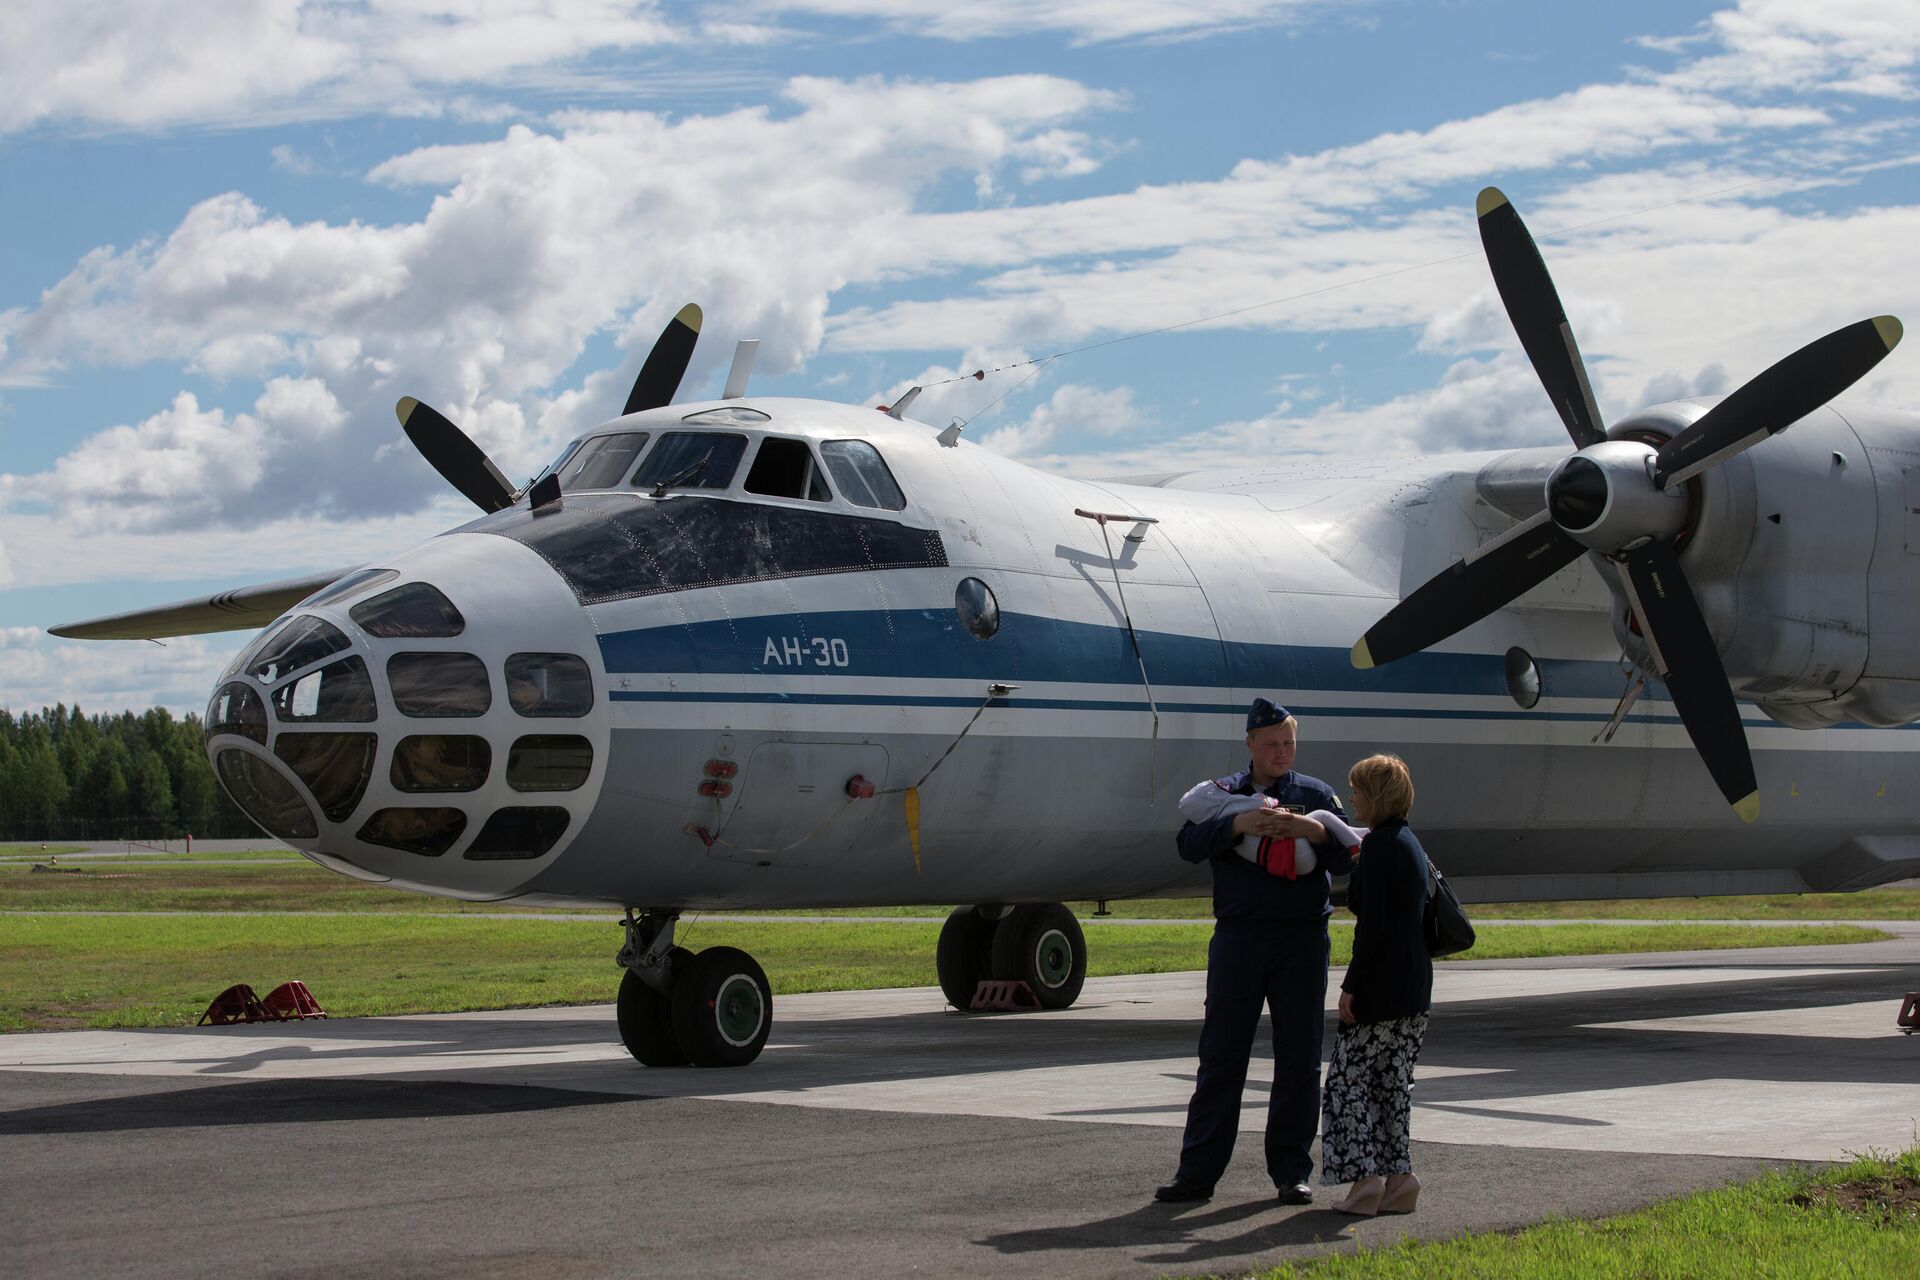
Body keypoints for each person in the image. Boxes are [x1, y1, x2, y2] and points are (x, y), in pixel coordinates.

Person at [1155, 698, 1355, 1205]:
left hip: (1301, 940)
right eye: (1271, 745)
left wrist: (1310, 829)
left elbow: (1347, 855)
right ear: (1250, 745)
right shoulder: (1224, 796)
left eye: (1289, 743)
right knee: (1221, 1057)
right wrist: (1236, 828)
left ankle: (1292, 1172)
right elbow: (1186, 844)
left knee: (1299, 1060)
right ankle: (1197, 1174)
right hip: (1239, 940)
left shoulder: (1316, 794)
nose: (1281, 753)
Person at [1321, 753, 1433, 1216]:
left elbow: (1372, 926)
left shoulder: (1380, 848)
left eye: (1357, 790)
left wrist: (1351, 986)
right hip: (1413, 988)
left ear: (1375, 796)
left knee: (1345, 1082)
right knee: (1391, 1085)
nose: (1351, 798)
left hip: (1381, 988)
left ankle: (1364, 1178)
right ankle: (1399, 1177)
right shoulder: (1408, 843)